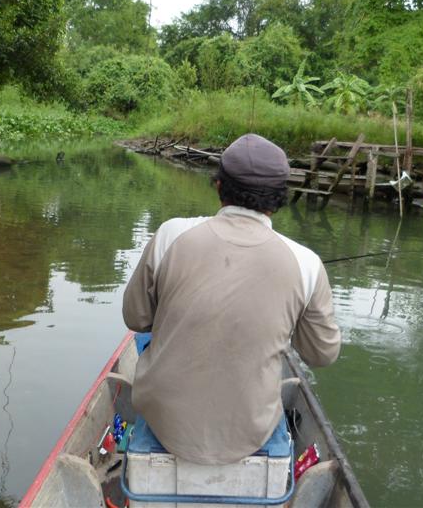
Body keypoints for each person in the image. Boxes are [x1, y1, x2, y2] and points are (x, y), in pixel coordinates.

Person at [122, 133, 340, 465]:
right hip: (250, 433)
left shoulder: (170, 234)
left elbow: (136, 319)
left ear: (219, 185)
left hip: (164, 420)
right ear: (279, 198)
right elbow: (322, 355)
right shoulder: (306, 263)